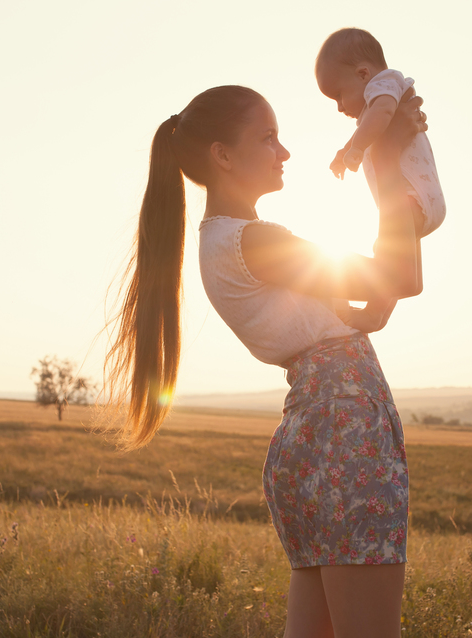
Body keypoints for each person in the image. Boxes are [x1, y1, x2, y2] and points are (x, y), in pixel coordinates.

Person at [105, 84, 428, 638]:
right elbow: (400, 277)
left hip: (314, 433)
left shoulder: (221, 244)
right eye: (268, 137)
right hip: (343, 433)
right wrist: (391, 161)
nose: (284, 152)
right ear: (223, 156)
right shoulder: (252, 241)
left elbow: (372, 303)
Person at [316, 28, 446, 239]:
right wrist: (345, 150)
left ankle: (388, 249)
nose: (339, 107)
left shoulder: (385, 83)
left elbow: (383, 112)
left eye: (339, 95)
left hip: (414, 195)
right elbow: (367, 127)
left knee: (392, 242)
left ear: (363, 74)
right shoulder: (373, 110)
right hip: (406, 196)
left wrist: (357, 148)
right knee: (397, 246)